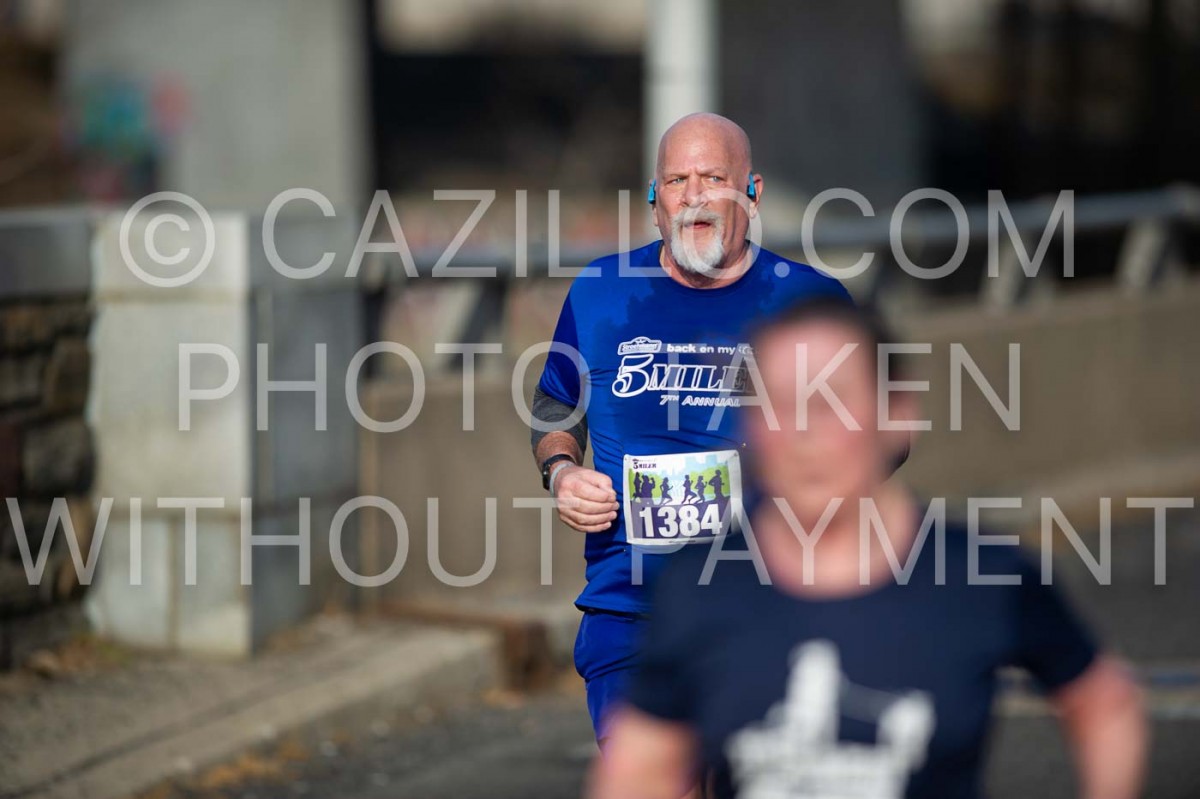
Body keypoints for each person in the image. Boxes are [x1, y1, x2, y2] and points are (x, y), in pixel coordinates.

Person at [589, 297, 1147, 799]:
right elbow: (640, 773)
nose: (802, 433)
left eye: (830, 402)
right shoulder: (699, 588)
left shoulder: (982, 574)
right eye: (778, 404)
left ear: (897, 415)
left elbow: (1105, 706)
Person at [531, 113, 852, 744]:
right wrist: (561, 471)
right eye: (677, 180)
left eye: (714, 178)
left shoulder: (809, 302)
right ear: (655, 199)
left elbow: (882, 438)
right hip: (630, 612)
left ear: (752, 193)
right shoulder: (602, 291)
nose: (695, 196)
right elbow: (554, 403)